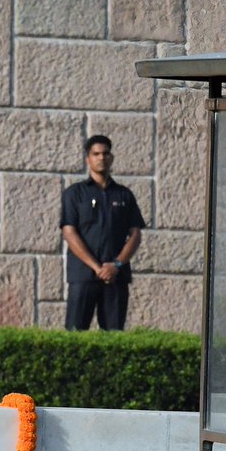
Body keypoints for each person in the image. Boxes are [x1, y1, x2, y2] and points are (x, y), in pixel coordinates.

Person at [60, 134, 146, 330]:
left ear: (112, 157)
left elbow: (135, 234)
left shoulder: (124, 195)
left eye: (106, 153)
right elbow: (69, 233)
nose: (101, 158)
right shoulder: (74, 194)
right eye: (96, 154)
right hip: (83, 275)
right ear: (88, 159)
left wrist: (116, 265)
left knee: (114, 335)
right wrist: (97, 267)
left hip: (115, 277)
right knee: (75, 334)